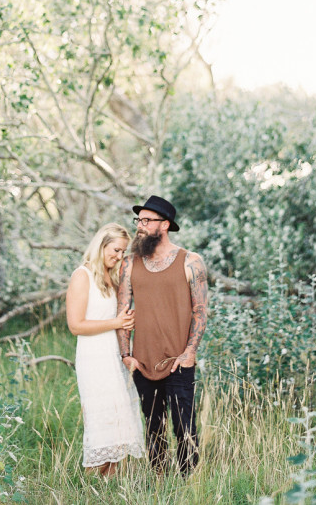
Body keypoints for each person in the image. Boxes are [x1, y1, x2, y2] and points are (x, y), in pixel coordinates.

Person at [117, 196, 207, 477]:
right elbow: (122, 311)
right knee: (153, 427)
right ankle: (160, 484)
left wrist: (190, 352)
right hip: (143, 363)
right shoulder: (130, 263)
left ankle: (188, 485)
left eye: (146, 221)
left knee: (184, 427)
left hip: (180, 360)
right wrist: (126, 355)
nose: (140, 227)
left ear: (165, 225)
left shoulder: (191, 261)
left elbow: (200, 311)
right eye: (138, 221)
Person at [66, 223, 145, 477]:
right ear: (102, 245)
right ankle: (90, 484)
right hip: (93, 358)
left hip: (111, 356)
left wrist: (126, 321)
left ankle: (109, 485)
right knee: (101, 422)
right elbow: (75, 325)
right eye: (116, 250)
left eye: (123, 252)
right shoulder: (82, 275)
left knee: (118, 420)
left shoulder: (110, 279)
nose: (119, 256)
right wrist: (116, 322)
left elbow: (116, 318)